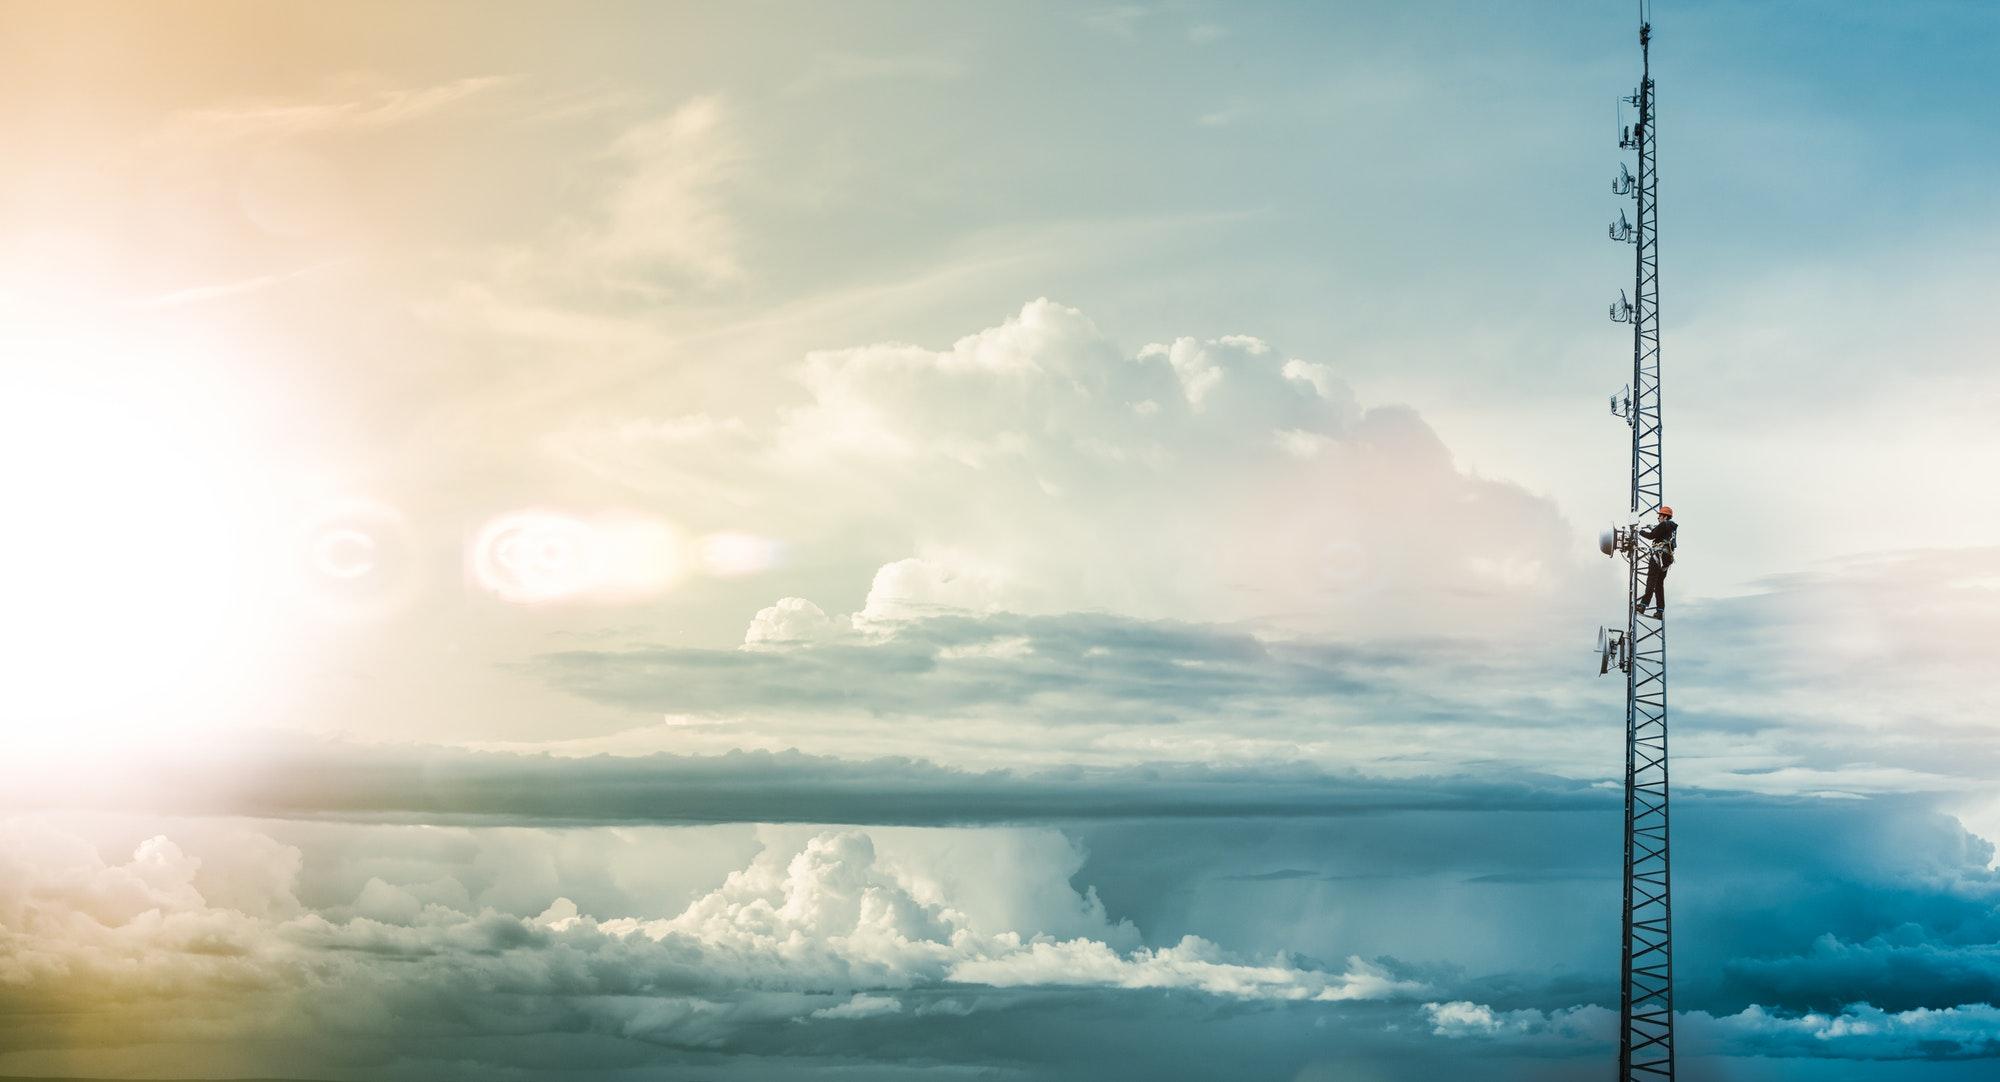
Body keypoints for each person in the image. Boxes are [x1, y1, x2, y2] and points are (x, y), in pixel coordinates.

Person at [1636, 505, 1676, 619]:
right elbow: (1660, 533)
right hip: (1667, 559)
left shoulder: (1663, 524)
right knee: (1659, 585)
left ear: (1664, 516)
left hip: (1659, 556)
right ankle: (1660, 611)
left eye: (1659, 516)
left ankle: (1643, 605)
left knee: (1651, 580)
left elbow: (1651, 536)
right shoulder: (1672, 528)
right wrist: (1654, 528)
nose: (1658, 518)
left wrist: (1641, 532)